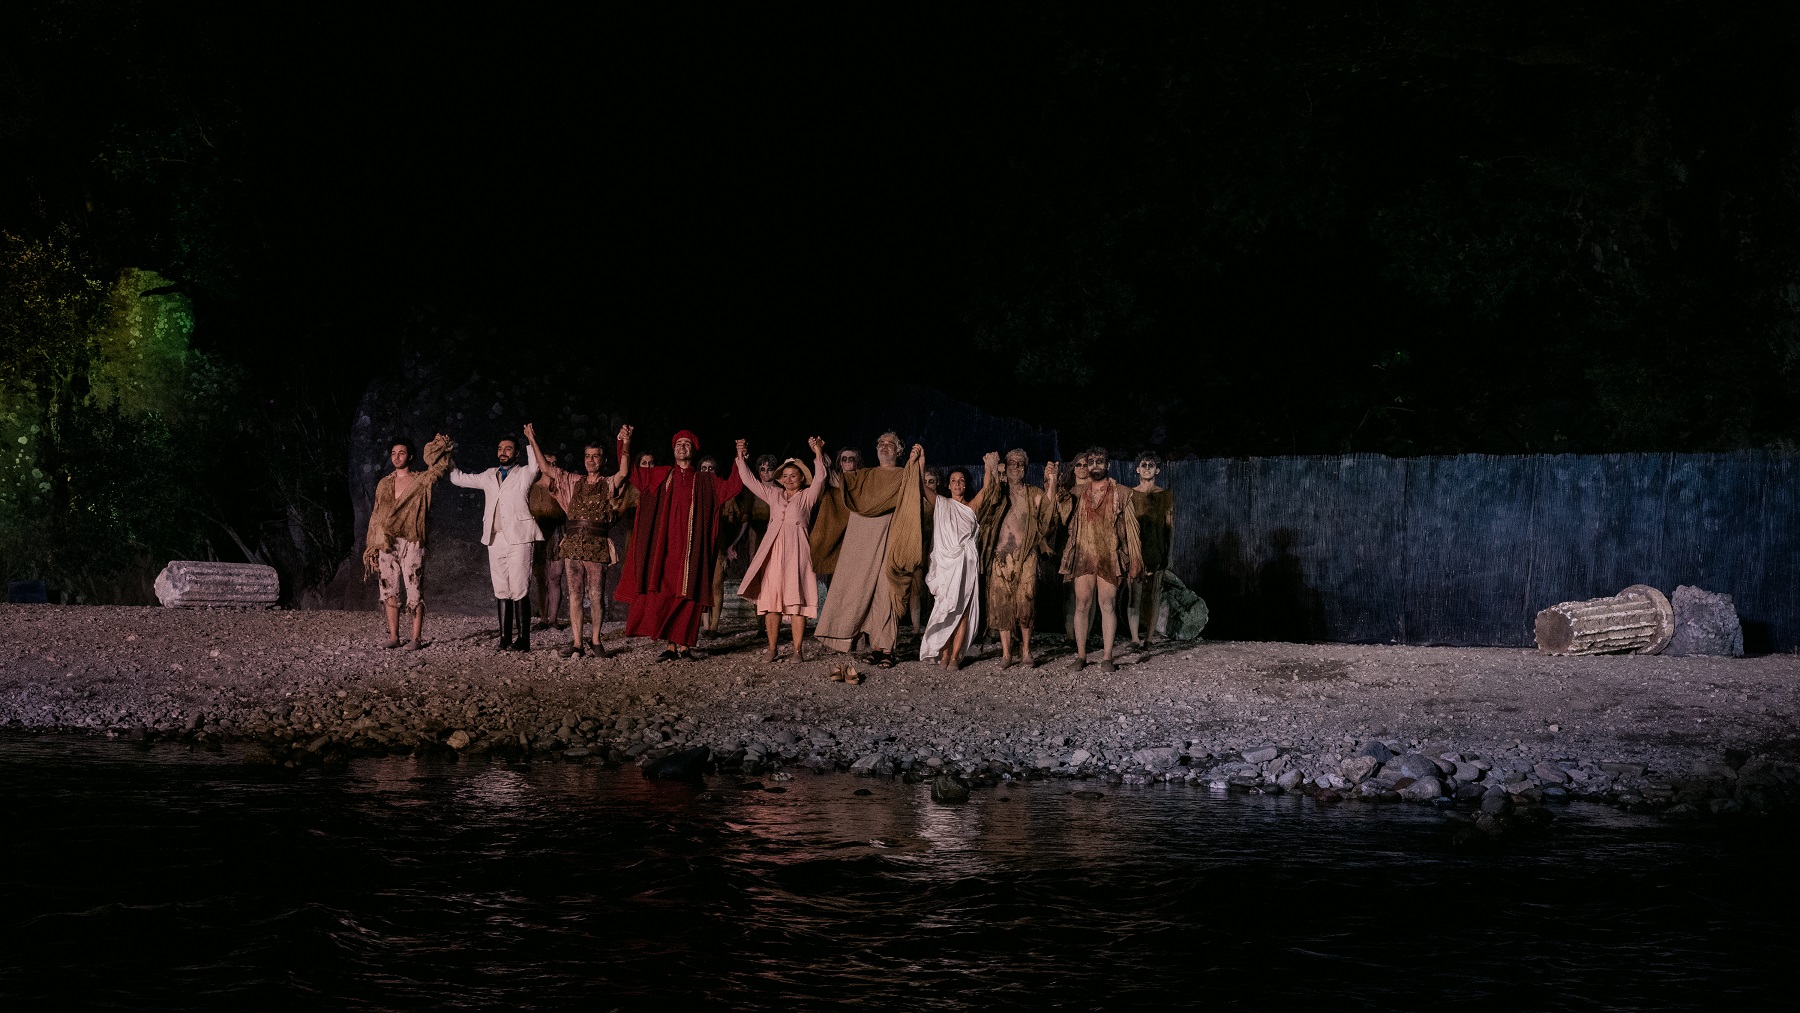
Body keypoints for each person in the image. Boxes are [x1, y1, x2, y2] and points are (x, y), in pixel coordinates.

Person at [615, 426, 744, 661]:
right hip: (664, 549)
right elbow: (631, 473)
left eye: (687, 444)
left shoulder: (706, 481)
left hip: (692, 549)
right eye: (678, 444)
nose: (682, 447)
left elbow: (733, 487)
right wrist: (625, 443)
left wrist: (740, 458)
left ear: (694, 451)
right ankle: (670, 646)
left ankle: (685, 646)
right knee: (666, 594)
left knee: (689, 595)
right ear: (673, 450)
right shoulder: (661, 475)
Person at [809, 431, 930, 669]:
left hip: (888, 541)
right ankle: (875, 647)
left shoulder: (903, 475)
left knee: (887, 592)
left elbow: (916, 491)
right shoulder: (863, 476)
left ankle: (887, 649)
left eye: (890, 444)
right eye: (881, 443)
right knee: (865, 593)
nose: (884, 447)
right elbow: (835, 481)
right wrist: (819, 453)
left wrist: (918, 463)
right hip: (862, 544)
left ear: (899, 450)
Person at [525, 425, 626, 657]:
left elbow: (624, 472)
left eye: (596, 456)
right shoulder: (572, 481)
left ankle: (596, 640)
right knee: (575, 595)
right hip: (572, 544)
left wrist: (626, 443)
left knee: (596, 595)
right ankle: (578, 642)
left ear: (603, 460)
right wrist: (531, 439)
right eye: (587, 456)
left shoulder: (608, 483)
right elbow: (545, 468)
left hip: (596, 544)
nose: (591, 460)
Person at [734, 437, 830, 662]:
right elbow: (749, 480)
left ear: (801, 478)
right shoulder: (774, 494)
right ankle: (772, 648)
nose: (788, 480)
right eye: (785, 476)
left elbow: (820, 478)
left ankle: (797, 650)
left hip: (797, 552)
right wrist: (740, 456)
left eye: (793, 476)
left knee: (796, 601)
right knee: (771, 601)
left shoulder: (807, 497)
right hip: (773, 552)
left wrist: (818, 452)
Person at [450, 429, 542, 651]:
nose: (503, 452)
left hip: (519, 538)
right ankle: (504, 638)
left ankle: (523, 640)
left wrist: (531, 439)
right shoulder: (489, 475)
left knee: (519, 588)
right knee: (501, 589)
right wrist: (445, 456)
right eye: (500, 449)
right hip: (495, 538)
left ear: (517, 453)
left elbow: (536, 467)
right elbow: (457, 478)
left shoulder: (524, 474)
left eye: (508, 449)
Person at [362, 433, 454, 649]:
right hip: (387, 541)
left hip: (412, 540)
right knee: (388, 588)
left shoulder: (421, 480)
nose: (396, 457)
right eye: (393, 453)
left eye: (401, 453)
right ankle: (394, 636)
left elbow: (439, 467)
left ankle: (416, 638)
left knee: (414, 587)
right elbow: (376, 516)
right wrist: (373, 546)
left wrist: (439, 445)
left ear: (410, 456)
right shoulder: (385, 483)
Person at [1058, 447, 1145, 672]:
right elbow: (1062, 513)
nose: (1095, 465)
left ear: (1108, 465)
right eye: (1091, 462)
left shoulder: (1122, 493)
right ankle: (1081, 655)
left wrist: (1135, 559)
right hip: (1084, 555)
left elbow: (1132, 529)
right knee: (1082, 604)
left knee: (1107, 604)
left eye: (1099, 461)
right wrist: (1054, 482)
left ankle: (1107, 657)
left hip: (1109, 555)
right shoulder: (1078, 492)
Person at [974, 448, 1062, 669]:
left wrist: (1052, 481)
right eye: (1012, 463)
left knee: (1026, 603)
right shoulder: (999, 492)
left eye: (1021, 463)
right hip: (1000, 557)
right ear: (1006, 466)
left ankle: (1026, 651)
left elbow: (1048, 513)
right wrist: (990, 468)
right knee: (1002, 604)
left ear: (1026, 468)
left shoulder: (1033, 493)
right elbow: (985, 501)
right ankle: (1006, 654)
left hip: (1026, 557)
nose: (1017, 467)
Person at [921, 466, 980, 668]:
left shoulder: (971, 507)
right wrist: (921, 462)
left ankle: (955, 656)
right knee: (945, 607)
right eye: (953, 480)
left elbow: (987, 489)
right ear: (948, 485)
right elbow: (921, 486)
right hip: (946, 564)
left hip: (966, 563)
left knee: (963, 609)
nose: (957, 484)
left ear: (966, 484)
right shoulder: (941, 503)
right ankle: (944, 654)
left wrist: (990, 467)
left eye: (961, 480)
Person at [1129, 451, 1175, 652]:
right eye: (1143, 465)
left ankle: (1148, 638)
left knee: (1154, 595)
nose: (1147, 468)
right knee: (1134, 595)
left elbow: (1169, 526)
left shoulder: (1164, 495)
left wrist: (1169, 554)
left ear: (1157, 470)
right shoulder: (1130, 495)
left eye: (1151, 465)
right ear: (1137, 469)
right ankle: (1134, 639)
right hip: (1135, 549)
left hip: (1156, 547)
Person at [528, 452, 568, 631]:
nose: (552, 466)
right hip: (537, 536)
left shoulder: (562, 489)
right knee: (540, 578)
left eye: (555, 463)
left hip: (557, 534)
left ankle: (553, 620)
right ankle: (544, 618)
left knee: (555, 577)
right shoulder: (531, 489)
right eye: (548, 462)